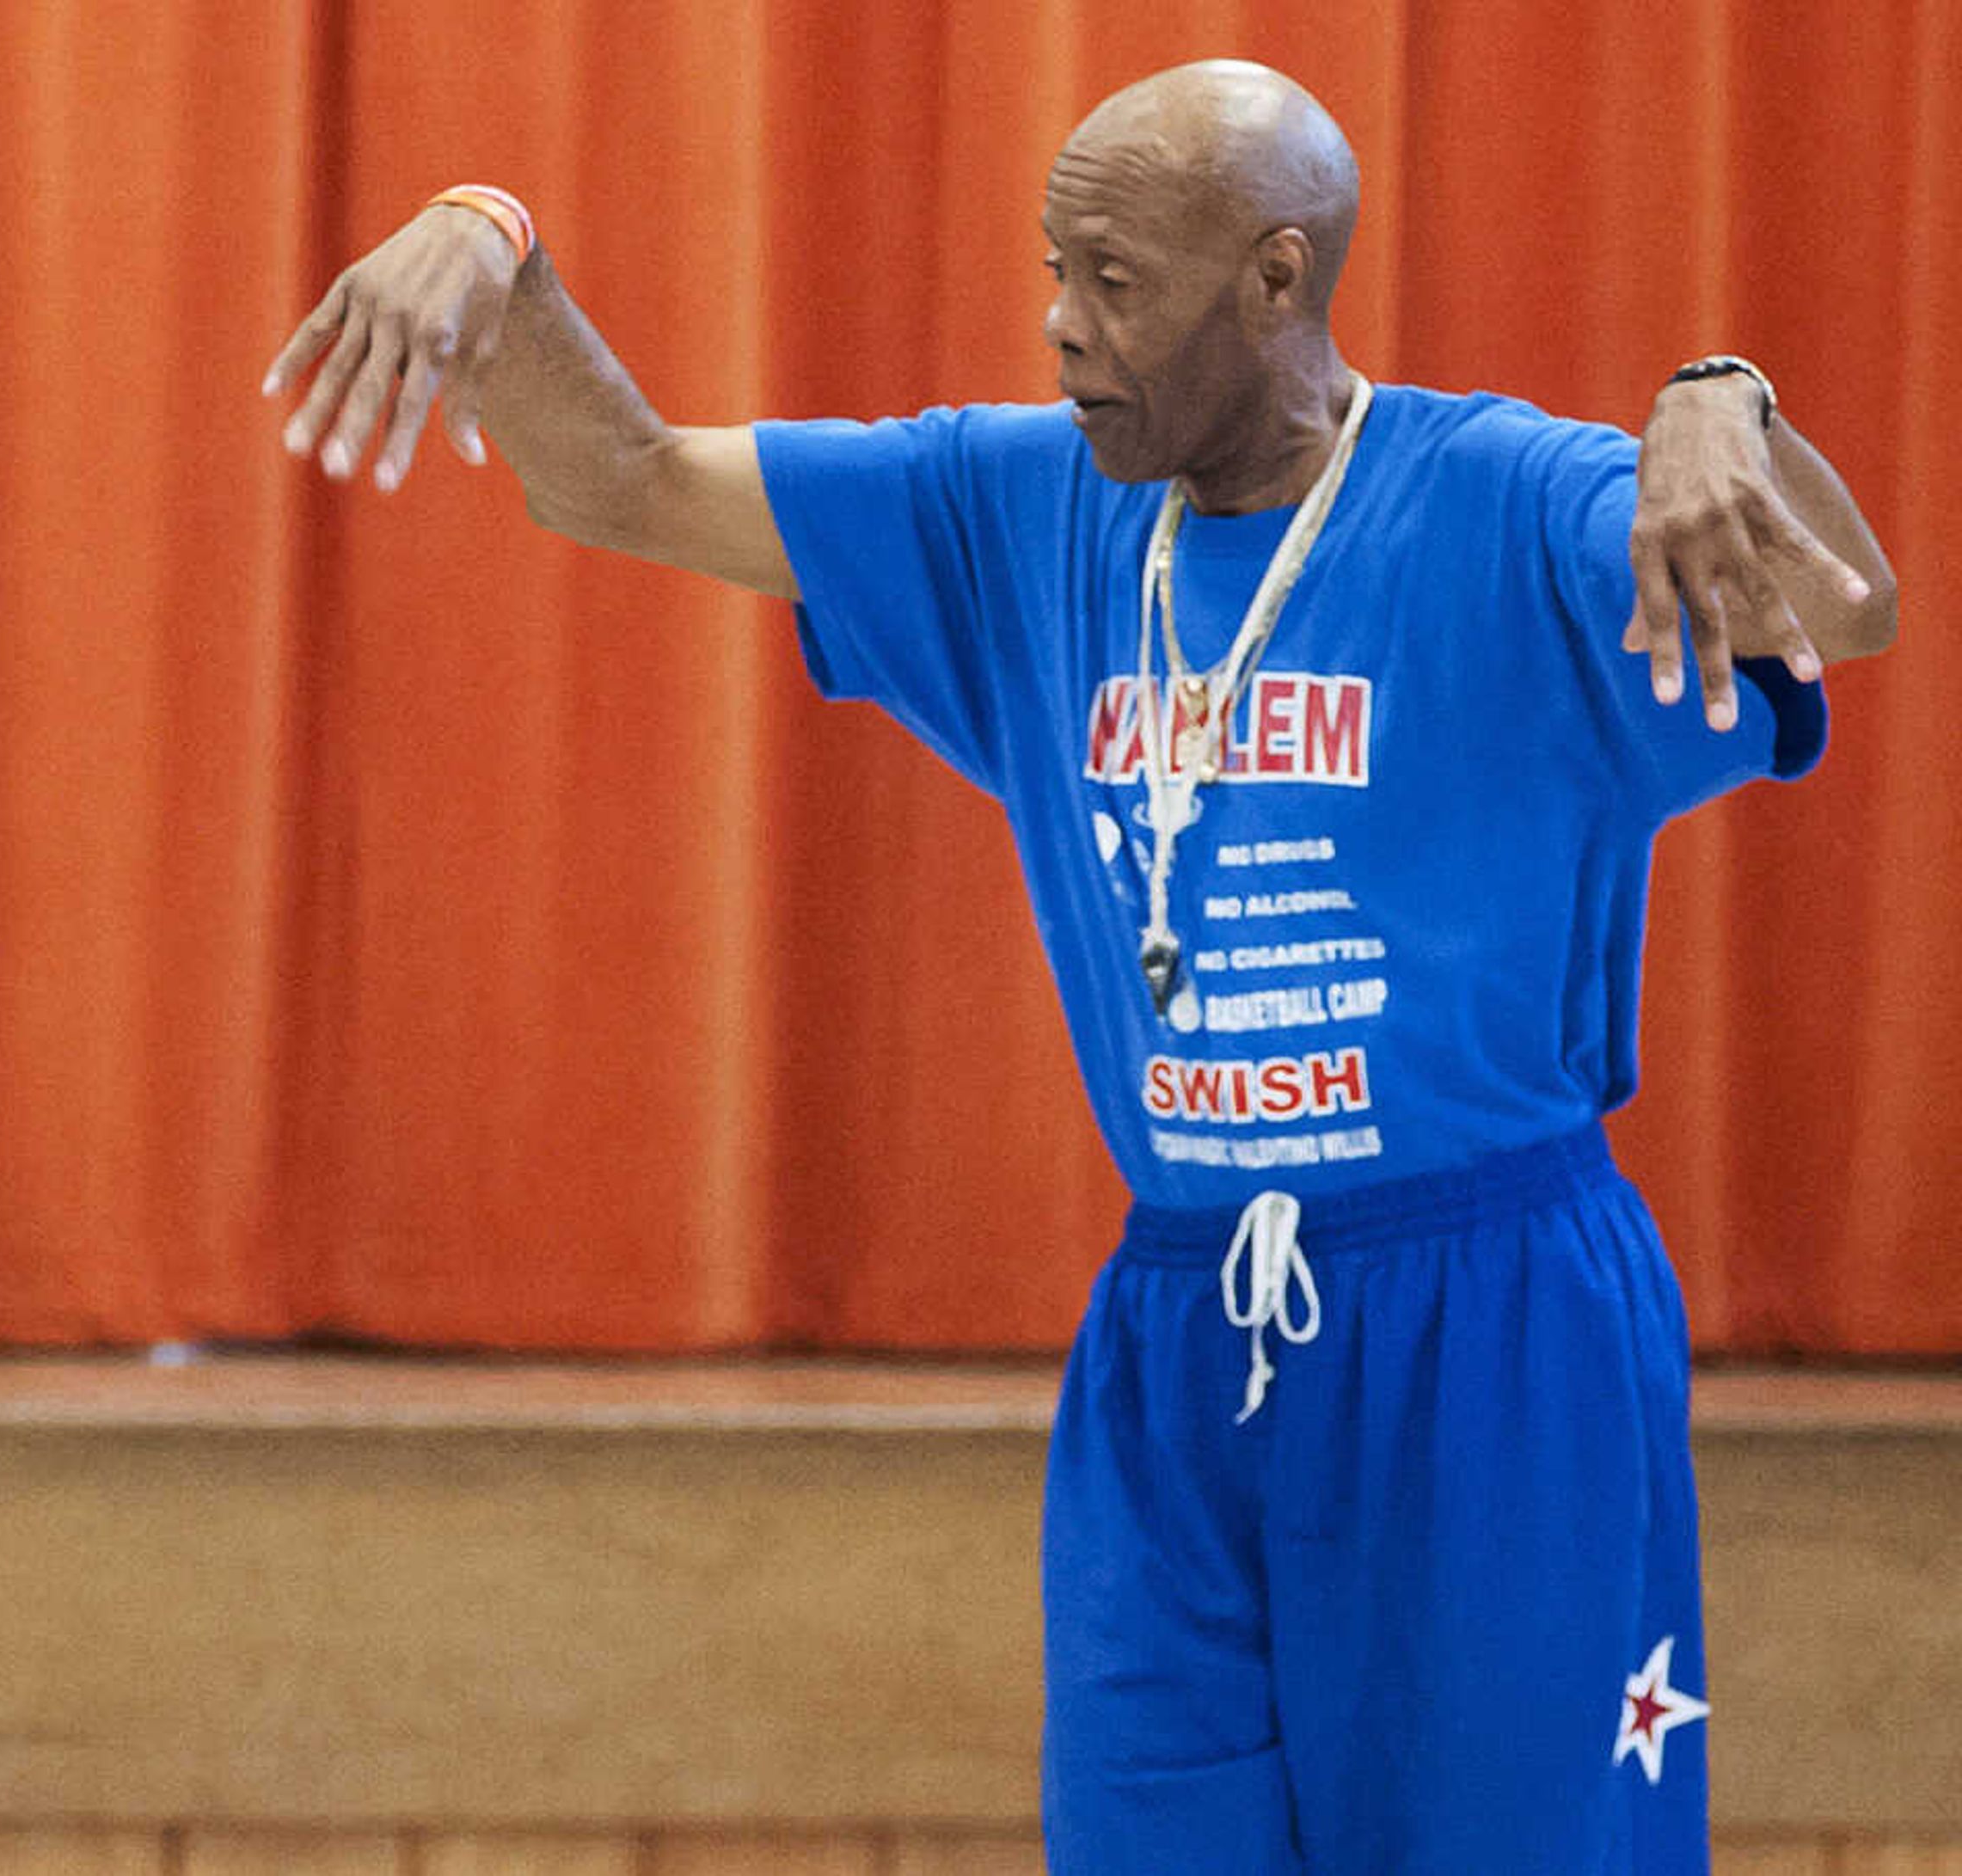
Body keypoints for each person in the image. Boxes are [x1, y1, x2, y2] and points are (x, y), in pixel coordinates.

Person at [265, 59, 1895, 1876]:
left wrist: (1716, 402)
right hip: (1183, 1317)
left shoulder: (1505, 500)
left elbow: (1843, 610)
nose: (1058, 325)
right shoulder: (1018, 504)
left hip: (1488, 1316)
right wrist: (488, 241)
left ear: (1278, 279)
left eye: (1115, 281)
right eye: (1055, 269)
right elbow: (622, 479)